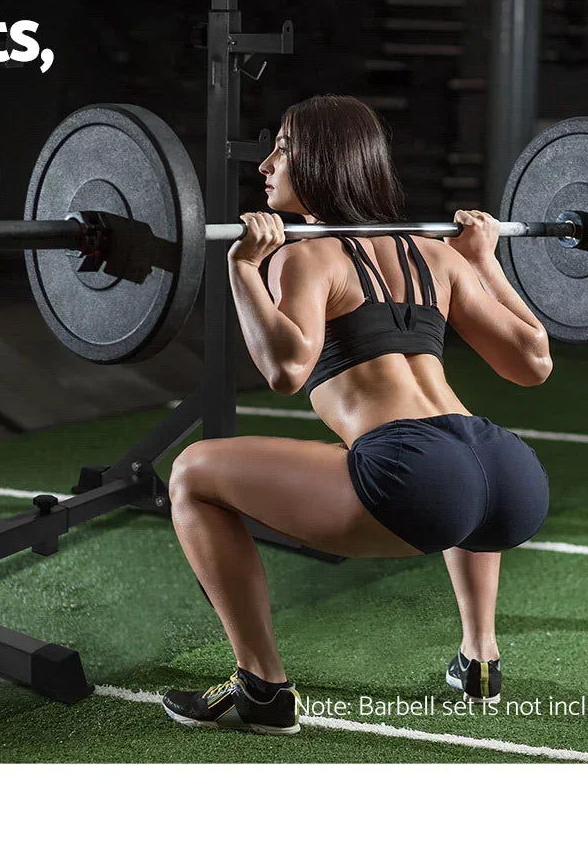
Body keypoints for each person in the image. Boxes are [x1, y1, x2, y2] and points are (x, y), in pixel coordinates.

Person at [162, 95, 551, 735]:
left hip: (414, 475)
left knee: (191, 473)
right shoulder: (439, 255)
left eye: (282, 147)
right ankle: (479, 657)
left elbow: (286, 371)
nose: (266, 163)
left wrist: (242, 269)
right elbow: (533, 361)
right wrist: (485, 261)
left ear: (321, 162)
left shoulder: (306, 256)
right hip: (504, 470)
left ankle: (261, 687)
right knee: (457, 471)